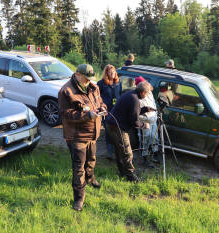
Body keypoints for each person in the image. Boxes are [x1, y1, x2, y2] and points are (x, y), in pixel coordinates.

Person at [58, 64, 107, 211]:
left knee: (92, 159)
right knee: (79, 167)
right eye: (86, 79)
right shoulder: (65, 91)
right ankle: (79, 198)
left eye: (90, 79)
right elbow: (66, 114)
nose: (88, 82)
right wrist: (88, 115)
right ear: (78, 75)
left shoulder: (94, 87)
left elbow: (100, 102)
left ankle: (90, 178)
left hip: (93, 133)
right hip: (77, 136)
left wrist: (103, 108)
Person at [105, 81, 153, 182]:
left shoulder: (131, 94)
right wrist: (144, 125)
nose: (148, 95)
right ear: (143, 92)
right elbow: (134, 121)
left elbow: (132, 110)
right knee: (127, 152)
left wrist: (145, 109)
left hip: (111, 124)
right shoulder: (135, 99)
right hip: (117, 126)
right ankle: (131, 176)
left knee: (119, 150)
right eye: (148, 93)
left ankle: (123, 172)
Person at [97, 64, 122, 160]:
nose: (112, 73)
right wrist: (101, 106)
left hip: (117, 110)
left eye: (114, 72)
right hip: (106, 111)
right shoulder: (101, 83)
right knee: (108, 130)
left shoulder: (118, 83)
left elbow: (120, 95)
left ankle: (117, 150)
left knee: (117, 130)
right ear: (106, 73)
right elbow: (97, 97)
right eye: (110, 72)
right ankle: (110, 152)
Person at [135, 77, 159, 168]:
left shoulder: (149, 93)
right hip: (145, 122)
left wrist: (155, 114)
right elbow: (136, 114)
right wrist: (144, 120)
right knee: (145, 140)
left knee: (154, 137)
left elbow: (153, 103)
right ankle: (145, 158)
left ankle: (155, 155)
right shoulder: (137, 97)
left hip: (153, 120)